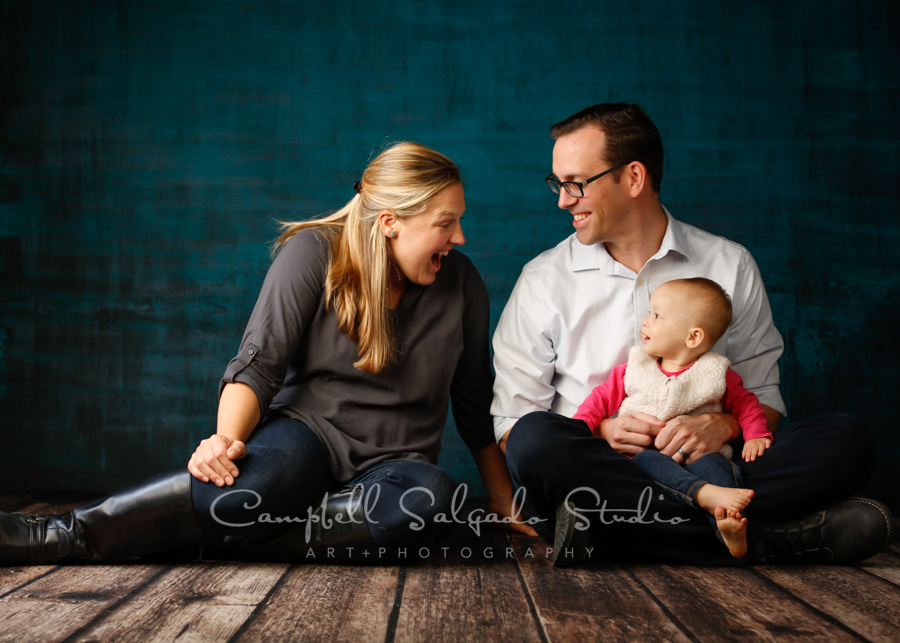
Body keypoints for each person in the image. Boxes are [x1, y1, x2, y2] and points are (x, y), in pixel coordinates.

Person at [0, 141, 534, 566]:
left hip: (397, 465)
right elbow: (258, 366)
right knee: (230, 497)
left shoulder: (461, 284)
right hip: (308, 436)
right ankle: (61, 534)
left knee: (430, 501)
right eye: (445, 222)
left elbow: (472, 402)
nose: (459, 237)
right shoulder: (314, 253)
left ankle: (235, 539)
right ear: (390, 220)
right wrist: (224, 443)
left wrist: (501, 498)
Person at [492, 103, 893, 567]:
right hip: (601, 471)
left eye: (576, 183)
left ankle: (609, 536)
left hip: (713, 462)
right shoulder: (543, 279)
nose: (563, 199)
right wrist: (603, 431)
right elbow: (510, 424)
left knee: (849, 441)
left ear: (634, 177)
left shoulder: (729, 264)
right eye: (557, 184)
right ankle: (767, 538)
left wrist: (723, 424)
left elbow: (764, 398)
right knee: (534, 442)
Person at [574, 277, 773, 558]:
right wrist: (579, 429)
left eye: (656, 316)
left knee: (719, 468)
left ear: (693, 337)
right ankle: (705, 496)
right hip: (645, 460)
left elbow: (746, 404)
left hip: (700, 456)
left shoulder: (716, 372)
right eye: (648, 314)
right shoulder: (634, 368)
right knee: (647, 461)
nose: (645, 322)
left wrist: (756, 435)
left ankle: (731, 530)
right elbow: (599, 400)